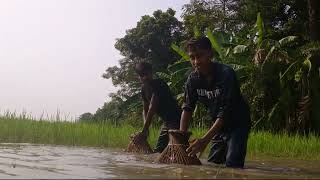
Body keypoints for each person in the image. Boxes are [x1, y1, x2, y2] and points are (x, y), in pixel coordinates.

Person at [179, 36, 251, 168]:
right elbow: (188, 108)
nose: (196, 62)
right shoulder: (193, 79)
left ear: (210, 54)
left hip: (238, 123)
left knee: (233, 164)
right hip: (219, 126)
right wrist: (181, 138)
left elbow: (225, 110)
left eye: (200, 56)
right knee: (212, 165)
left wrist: (205, 140)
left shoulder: (226, 74)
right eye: (192, 57)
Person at [133, 62, 181, 153]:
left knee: (176, 148)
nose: (145, 77)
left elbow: (152, 107)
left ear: (151, 73)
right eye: (141, 75)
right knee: (158, 151)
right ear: (138, 77)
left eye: (147, 74)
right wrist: (145, 129)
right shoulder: (143, 89)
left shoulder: (159, 84)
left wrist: (144, 130)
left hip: (176, 118)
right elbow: (145, 109)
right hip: (166, 121)